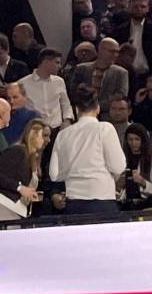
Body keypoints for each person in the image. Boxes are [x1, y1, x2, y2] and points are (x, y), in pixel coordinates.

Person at [50, 87, 127, 215]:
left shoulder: (63, 134)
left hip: (73, 203)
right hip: (102, 202)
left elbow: (54, 174)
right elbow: (118, 166)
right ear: (98, 108)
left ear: (76, 110)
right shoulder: (105, 129)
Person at [0, 118, 50, 222]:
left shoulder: (33, 159)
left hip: (17, 211)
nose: (48, 140)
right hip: (1, 207)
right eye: (45, 135)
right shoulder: (18, 151)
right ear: (33, 134)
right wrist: (19, 188)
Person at [73, 38, 129, 117]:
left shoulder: (121, 73)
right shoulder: (82, 69)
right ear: (101, 50)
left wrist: (96, 107)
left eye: (117, 52)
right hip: (83, 114)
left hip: (108, 116)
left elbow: (121, 95)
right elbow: (74, 91)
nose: (115, 55)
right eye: (112, 51)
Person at [113, 0, 151, 82]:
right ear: (129, 7)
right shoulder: (120, 30)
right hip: (125, 75)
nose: (139, 9)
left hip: (148, 76)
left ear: (148, 8)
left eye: (143, 6)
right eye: (135, 7)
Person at [121, 123, 152, 208]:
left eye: (137, 139)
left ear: (143, 140)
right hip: (127, 204)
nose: (133, 143)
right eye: (130, 139)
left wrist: (143, 182)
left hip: (147, 204)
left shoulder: (149, 159)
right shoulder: (123, 158)